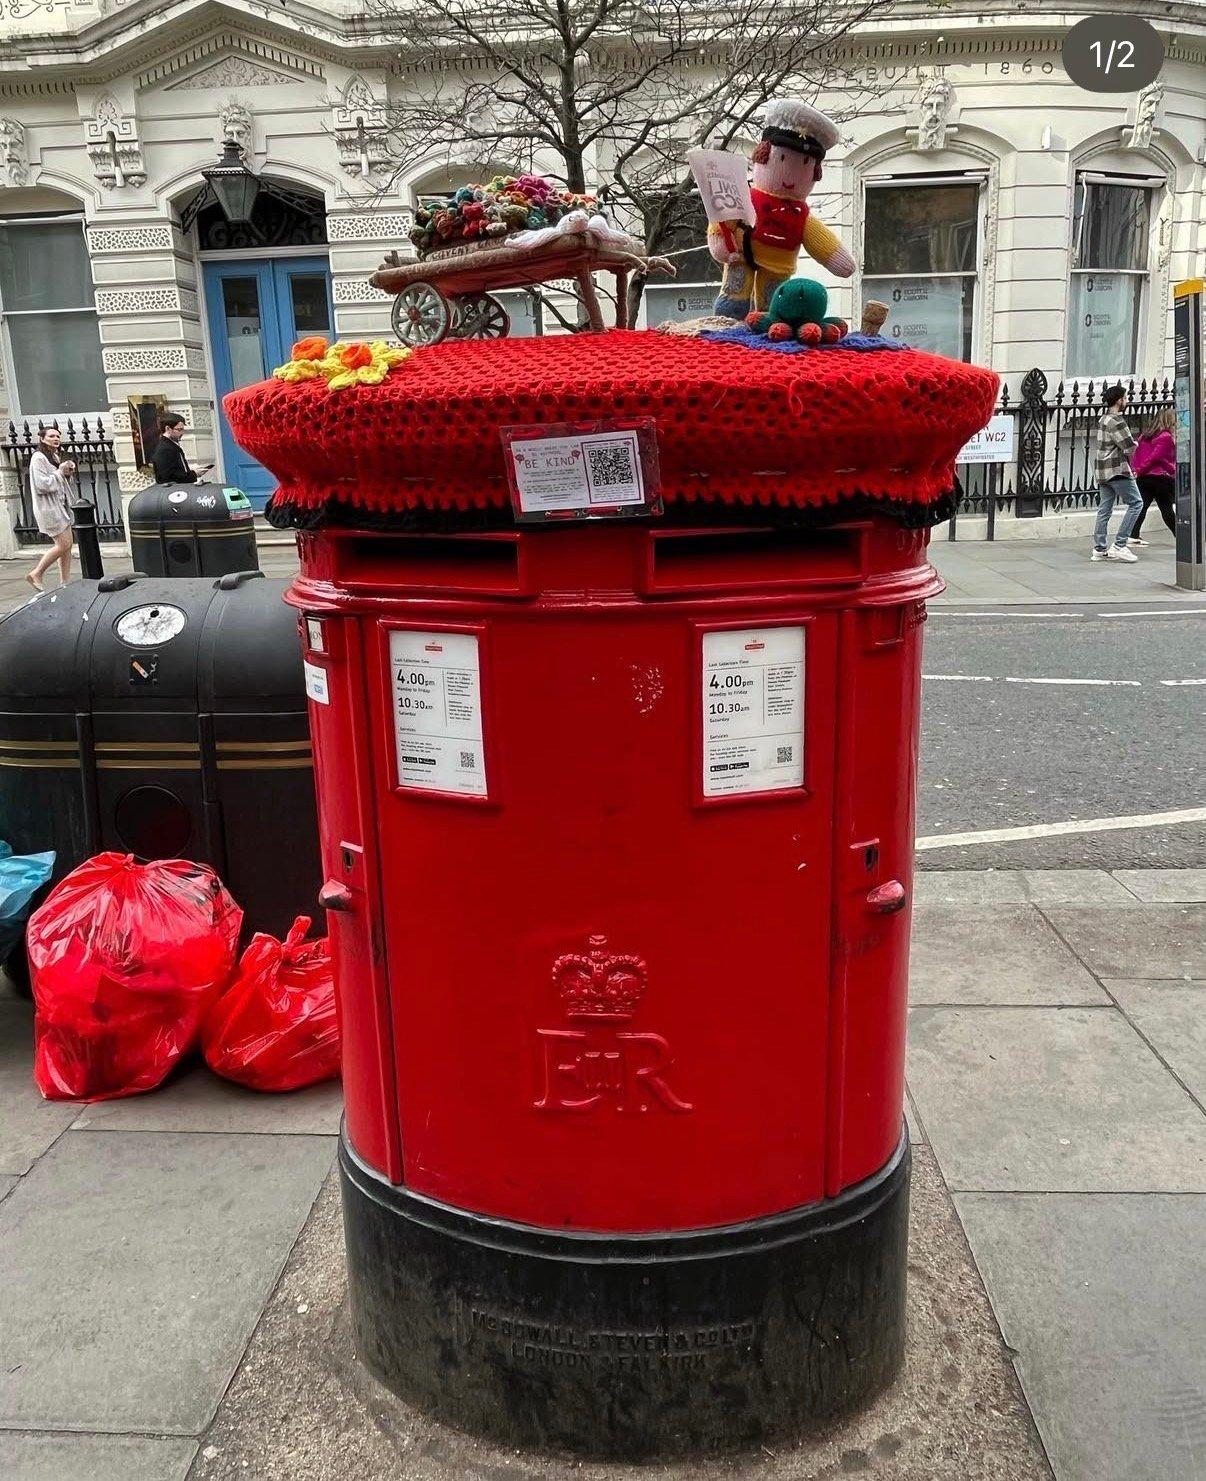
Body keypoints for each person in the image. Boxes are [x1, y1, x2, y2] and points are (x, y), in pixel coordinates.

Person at [1091, 384, 1143, 563]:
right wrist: (1136, 444)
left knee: (1104, 508)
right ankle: (1120, 544)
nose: (1127, 401)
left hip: (1102, 469)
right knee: (1137, 503)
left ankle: (1099, 548)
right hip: (1116, 469)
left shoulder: (1103, 418)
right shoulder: (1117, 421)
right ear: (1119, 400)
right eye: (1125, 398)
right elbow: (1128, 447)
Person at [25, 427, 75, 593]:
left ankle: (65, 582)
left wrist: (67, 473)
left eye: (58, 436)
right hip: (49, 508)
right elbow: (42, 485)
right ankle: (36, 573)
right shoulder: (38, 458)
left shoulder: (53, 456)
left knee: (68, 545)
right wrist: (60, 473)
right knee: (63, 544)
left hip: (60, 507)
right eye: (52, 436)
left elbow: (60, 481)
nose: (56, 439)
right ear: (42, 439)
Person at [1128, 407, 1177, 546]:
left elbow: (1137, 454)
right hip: (1160, 478)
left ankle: (1133, 534)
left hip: (1144, 478)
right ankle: (1181, 536)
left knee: (1142, 506)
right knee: (1166, 508)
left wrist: (1138, 469)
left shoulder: (1145, 436)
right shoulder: (1166, 437)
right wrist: (1172, 469)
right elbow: (1157, 458)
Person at [151, 412, 209, 484]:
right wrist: (194, 474)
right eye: (179, 430)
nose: (182, 433)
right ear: (168, 429)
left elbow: (176, 470)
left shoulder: (170, 445)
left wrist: (191, 470)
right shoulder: (165, 449)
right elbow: (168, 477)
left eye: (183, 429)